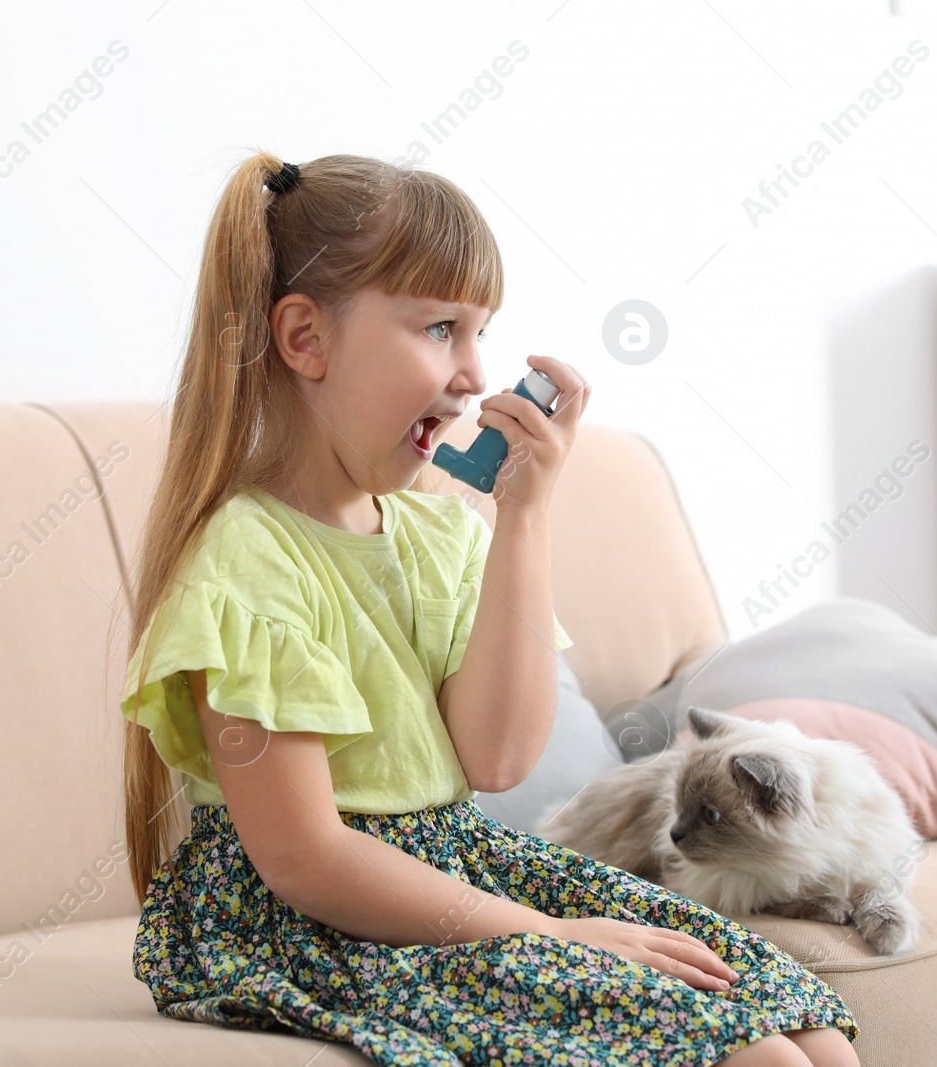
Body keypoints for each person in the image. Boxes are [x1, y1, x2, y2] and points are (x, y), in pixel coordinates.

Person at [118, 150, 861, 1067]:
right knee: (766, 1062)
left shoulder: (437, 536)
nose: (474, 372)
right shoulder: (246, 562)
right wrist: (546, 932)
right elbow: (306, 859)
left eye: (481, 334)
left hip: (455, 864)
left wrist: (524, 517)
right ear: (305, 339)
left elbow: (499, 758)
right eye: (439, 327)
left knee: (813, 1033)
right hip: (312, 917)